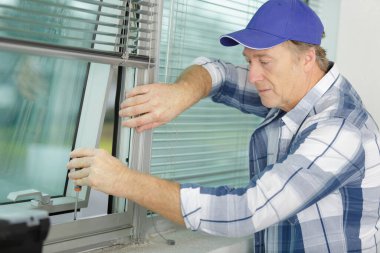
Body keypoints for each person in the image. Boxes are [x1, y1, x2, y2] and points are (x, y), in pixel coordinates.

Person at [67, 0, 380, 251]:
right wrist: (181, 93)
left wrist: (123, 181)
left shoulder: (340, 129)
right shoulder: (292, 91)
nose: (254, 75)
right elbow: (215, 71)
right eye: (249, 61)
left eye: (264, 61)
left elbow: (247, 210)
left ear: (307, 58)